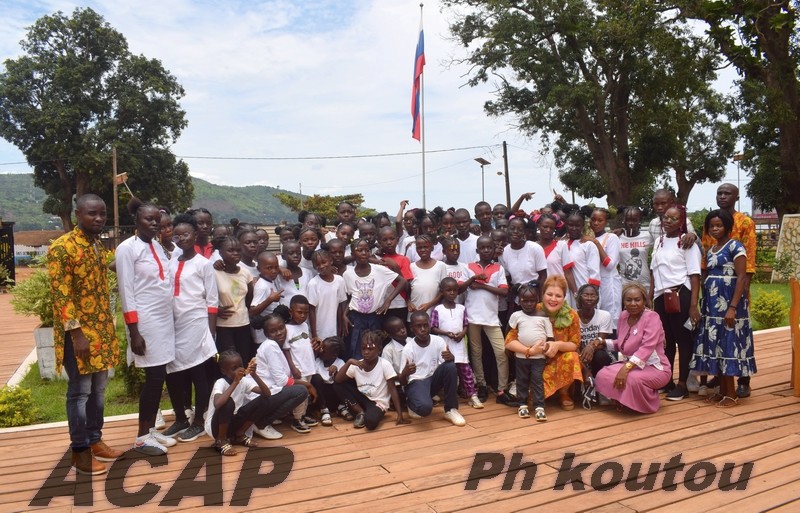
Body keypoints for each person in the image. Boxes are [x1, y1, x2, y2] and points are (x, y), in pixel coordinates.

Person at [47, 194, 124, 475]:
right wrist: (77, 335)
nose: (99, 219)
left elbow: (110, 265)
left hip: (101, 331)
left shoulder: (96, 244)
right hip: (78, 335)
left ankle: (95, 440)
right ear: (78, 213)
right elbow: (61, 295)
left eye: (102, 214)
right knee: (79, 393)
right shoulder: (62, 248)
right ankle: (79, 452)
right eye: (93, 214)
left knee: (99, 391)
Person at [116, 198, 178, 456]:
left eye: (156, 219)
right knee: (153, 379)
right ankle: (142, 437)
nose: (154, 224)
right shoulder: (126, 249)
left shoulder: (155, 245)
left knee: (159, 376)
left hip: (164, 321)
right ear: (136, 221)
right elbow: (126, 291)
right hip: (145, 324)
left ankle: (150, 430)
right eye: (148, 219)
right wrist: (134, 332)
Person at [161, 214, 219, 443]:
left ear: (195, 235)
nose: (181, 238)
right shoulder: (171, 261)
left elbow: (212, 300)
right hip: (173, 326)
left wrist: (210, 333)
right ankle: (180, 418)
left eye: (186, 234)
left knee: (198, 374)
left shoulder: (204, 265)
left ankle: (198, 421)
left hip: (196, 324)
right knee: (173, 374)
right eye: (177, 235)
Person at [691, 209, 757, 407]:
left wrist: (733, 307)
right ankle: (722, 391)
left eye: (719, 225)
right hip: (712, 307)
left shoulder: (735, 247)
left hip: (730, 305)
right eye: (711, 226)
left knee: (729, 345)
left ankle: (732, 394)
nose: (715, 229)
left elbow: (742, 278)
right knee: (717, 345)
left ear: (728, 227)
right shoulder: (710, 250)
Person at [585, 283, 672, 414]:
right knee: (603, 374)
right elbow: (621, 344)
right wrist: (600, 341)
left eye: (637, 300)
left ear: (644, 301)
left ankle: (645, 400)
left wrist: (626, 369)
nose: (633, 303)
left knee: (630, 379)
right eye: (628, 300)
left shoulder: (652, 317)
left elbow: (647, 348)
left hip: (655, 368)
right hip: (632, 366)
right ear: (623, 302)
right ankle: (622, 399)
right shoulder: (624, 316)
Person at [206, 349, 307, 456]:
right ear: (223, 371)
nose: (239, 369)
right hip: (216, 428)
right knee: (228, 402)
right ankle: (220, 441)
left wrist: (254, 375)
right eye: (233, 368)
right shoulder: (220, 383)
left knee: (263, 399)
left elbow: (267, 394)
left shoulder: (244, 381)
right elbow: (218, 404)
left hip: (233, 423)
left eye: (240, 365)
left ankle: (239, 434)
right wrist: (235, 382)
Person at [650, 206, 702, 401]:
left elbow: (695, 275)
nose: (668, 221)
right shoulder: (658, 241)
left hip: (681, 294)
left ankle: (683, 384)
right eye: (666, 217)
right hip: (661, 296)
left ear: (681, 221)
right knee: (666, 341)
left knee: (683, 339)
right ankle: (667, 380)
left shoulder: (687, 243)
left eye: (674, 218)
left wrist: (693, 305)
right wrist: (650, 295)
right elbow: (655, 270)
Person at [253, 308, 318, 435]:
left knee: (298, 387)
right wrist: (308, 385)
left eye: (281, 328)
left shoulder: (275, 345)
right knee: (301, 391)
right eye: (273, 331)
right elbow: (282, 381)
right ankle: (262, 423)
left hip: (271, 391)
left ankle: (295, 417)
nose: (279, 333)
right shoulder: (270, 346)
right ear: (266, 334)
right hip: (264, 394)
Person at [466, 236, 513, 405]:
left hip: (491, 318)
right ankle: (482, 385)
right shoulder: (469, 267)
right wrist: (473, 280)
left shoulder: (498, 268)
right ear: (477, 250)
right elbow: (461, 287)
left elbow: (504, 292)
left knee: (501, 352)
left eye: (489, 247)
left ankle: (501, 389)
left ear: (493, 250)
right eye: (483, 248)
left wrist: (481, 285)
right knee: (476, 354)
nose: (486, 250)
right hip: (472, 316)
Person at [343, 237, 407, 359]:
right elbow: (351, 297)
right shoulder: (348, 274)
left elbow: (402, 281)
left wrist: (388, 300)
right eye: (359, 250)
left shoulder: (380, 270)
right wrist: (344, 315)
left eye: (366, 250)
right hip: (356, 317)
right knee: (355, 347)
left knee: (375, 346)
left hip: (375, 317)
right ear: (352, 254)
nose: (363, 253)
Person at [399, 312, 467, 426]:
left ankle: (451, 410)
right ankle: (411, 403)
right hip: (417, 382)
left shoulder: (438, 341)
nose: (423, 329)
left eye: (426, 325)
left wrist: (452, 357)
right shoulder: (408, 349)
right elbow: (403, 382)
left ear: (430, 325)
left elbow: (447, 366)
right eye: (418, 326)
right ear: (412, 328)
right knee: (425, 409)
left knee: (450, 366)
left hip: (432, 379)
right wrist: (405, 373)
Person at [334, 331, 408, 430]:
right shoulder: (357, 364)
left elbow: (392, 390)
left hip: (378, 403)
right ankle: (360, 412)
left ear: (379, 350)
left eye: (370, 349)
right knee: (338, 385)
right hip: (362, 399)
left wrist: (400, 414)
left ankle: (364, 414)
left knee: (370, 423)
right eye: (363, 348)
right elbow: (338, 380)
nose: (366, 352)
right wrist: (349, 362)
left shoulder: (384, 365)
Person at [503, 284, 554, 421]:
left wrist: (547, 350)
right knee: (522, 380)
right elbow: (508, 332)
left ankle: (539, 407)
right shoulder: (516, 315)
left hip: (539, 356)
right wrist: (508, 349)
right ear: (519, 301)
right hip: (521, 356)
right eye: (525, 300)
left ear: (537, 299)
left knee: (537, 380)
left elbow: (550, 337)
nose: (529, 303)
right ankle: (522, 405)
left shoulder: (544, 316)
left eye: (532, 300)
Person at [431, 277, 483, 409]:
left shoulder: (461, 308)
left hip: (459, 345)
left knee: (465, 371)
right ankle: (436, 393)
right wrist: (446, 333)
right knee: (442, 369)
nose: (452, 293)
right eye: (448, 290)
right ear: (442, 291)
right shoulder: (438, 309)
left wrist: (463, 333)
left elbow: (466, 324)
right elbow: (433, 327)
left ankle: (472, 395)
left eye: (455, 290)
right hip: (445, 345)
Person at [536, 275, 584, 410]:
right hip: (536, 360)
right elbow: (513, 338)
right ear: (543, 294)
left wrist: (557, 345)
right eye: (549, 294)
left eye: (558, 296)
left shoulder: (571, 315)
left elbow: (575, 344)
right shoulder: (534, 310)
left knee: (573, 357)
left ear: (564, 297)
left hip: (560, 361)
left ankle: (564, 393)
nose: (553, 299)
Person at [281, 295, 320, 429]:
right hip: (297, 368)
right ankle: (296, 419)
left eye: (306, 313)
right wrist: (293, 368)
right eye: (299, 312)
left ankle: (302, 415)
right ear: (291, 312)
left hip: (308, 366)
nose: (303, 315)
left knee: (306, 394)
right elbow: (286, 350)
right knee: (302, 393)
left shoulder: (304, 326)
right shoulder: (286, 329)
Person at [215, 235, 255, 363]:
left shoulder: (245, 273)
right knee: (228, 362)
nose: (236, 253)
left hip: (243, 323)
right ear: (221, 253)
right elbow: (205, 297)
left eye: (238, 250)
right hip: (224, 326)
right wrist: (216, 310)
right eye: (231, 250)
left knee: (244, 360)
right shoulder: (214, 272)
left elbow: (249, 299)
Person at [584, 208, 622, 327]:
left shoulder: (611, 238)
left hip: (609, 284)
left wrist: (596, 243)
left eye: (600, 220)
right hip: (595, 284)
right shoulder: (587, 239)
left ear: (606, 222)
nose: (596, 223)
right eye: (593, 219)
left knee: (611, 318)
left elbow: (610, 265)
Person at [307, 249, 348, 341]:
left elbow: (340, 306)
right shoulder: (313, 284)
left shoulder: (339, 280)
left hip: (334, 329)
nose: (321, 266)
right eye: (317, 264)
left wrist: (340, 328)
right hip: (319, 330)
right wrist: (314, 335)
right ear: (314, 266)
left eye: (324, 262)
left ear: (331, 261)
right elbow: (311, 310)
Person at [564, 211, 601, 307]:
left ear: (583, 226)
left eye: (578, 225)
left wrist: (591, 296)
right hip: (568, 294)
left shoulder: (588, 245)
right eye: (571, 225)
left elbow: (595, 273)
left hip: (585, 294)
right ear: (566, 225)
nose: (574, 228)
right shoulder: (562, 244)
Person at [408, 234, 447, 319]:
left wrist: (429, 305)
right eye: (419, 247)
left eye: (426, 247)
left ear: (432, 248)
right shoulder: (411, 266)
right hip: (414, 313)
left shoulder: (440, 266)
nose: (422, 250)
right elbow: (407, 289)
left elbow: (443, 291)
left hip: (432, 313)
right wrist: (409, 302)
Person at [618, 206, 653, 291]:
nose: (631, 223)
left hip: (645, 284)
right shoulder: (617, 238)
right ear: (624, 220)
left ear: (639, 221)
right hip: (625, 284)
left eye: (634, 220)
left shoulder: (647, 236)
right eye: (628, 220)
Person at [313, 336, 346, 426]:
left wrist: (336, 372)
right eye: (321, 348)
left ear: (334, 355)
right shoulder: (317, 361)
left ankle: (341, 407)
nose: (321, 351)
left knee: (340, 379)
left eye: (324, 350)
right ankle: (324, 411)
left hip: (334, 398)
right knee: (316, 378)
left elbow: (343, 383)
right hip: (320, 399)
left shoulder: (340, 363)